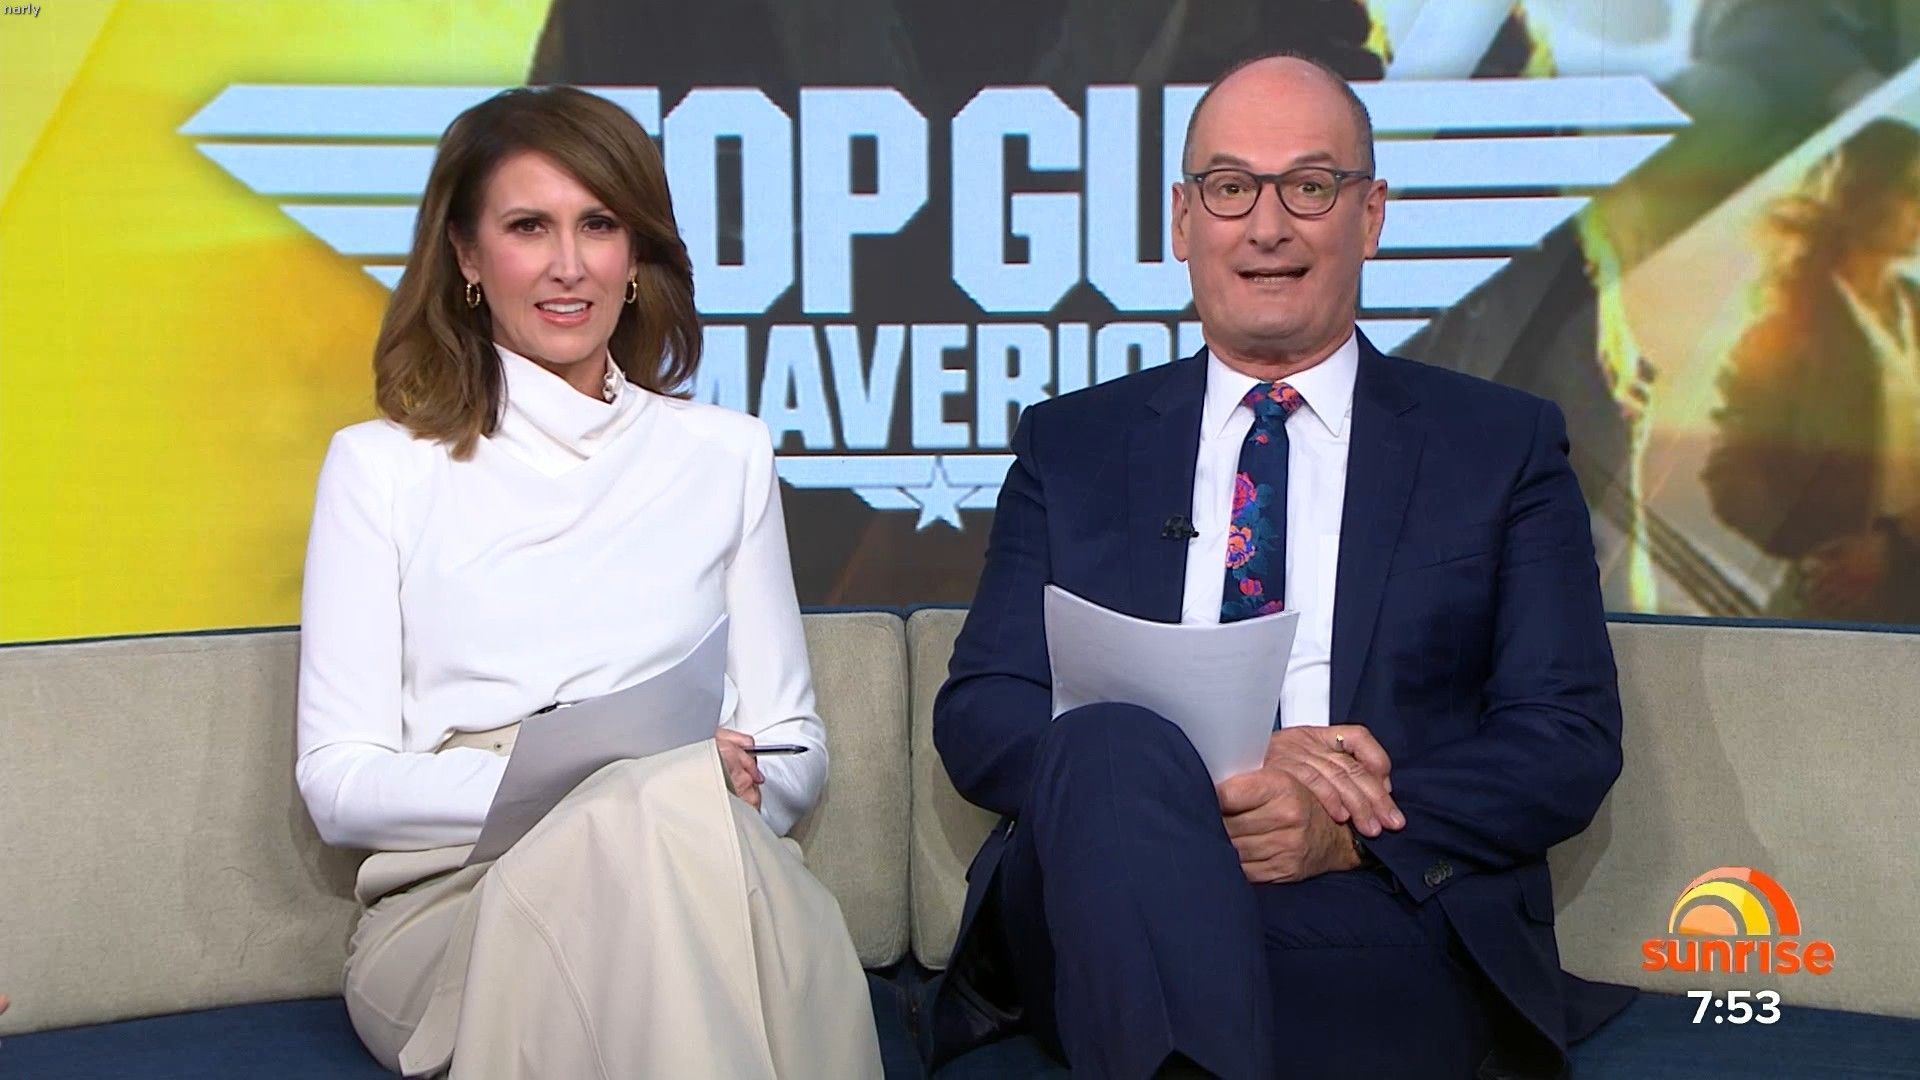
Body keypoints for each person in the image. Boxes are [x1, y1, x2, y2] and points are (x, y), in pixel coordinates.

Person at [928, 54, 1629, 1079]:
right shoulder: (1071, 446)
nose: (1266, 227)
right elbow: (983, 711)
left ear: (1370, 215)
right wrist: (1206, 777)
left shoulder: (1498, 446)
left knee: (1195, 980)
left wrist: (1343, 829)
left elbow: (1564, 736)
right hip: (1098, 887)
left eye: (1309, 186)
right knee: (1115, 742)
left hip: (1374, 896)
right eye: (1229, 188)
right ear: (1183, 221)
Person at [295, 86, 881, 1078]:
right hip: (462, 899)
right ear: (468, 256)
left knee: (663, 829)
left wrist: (709, 787)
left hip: (704, 863)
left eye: (599, 225)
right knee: (644, 813)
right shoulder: (382, 467)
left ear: (636, 254)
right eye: (529, 226)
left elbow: (790, 746)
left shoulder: (725, 454)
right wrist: (613, 782)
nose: (568, 264)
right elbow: (339, 784)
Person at [1706, 117, 1920, 622]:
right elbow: (1733, 475)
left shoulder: (1915, 309)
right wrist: (1823, 550)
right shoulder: (1790, 329)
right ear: (1863, 192)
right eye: (1912, 189)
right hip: (1844, 601)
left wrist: (1892, 546)